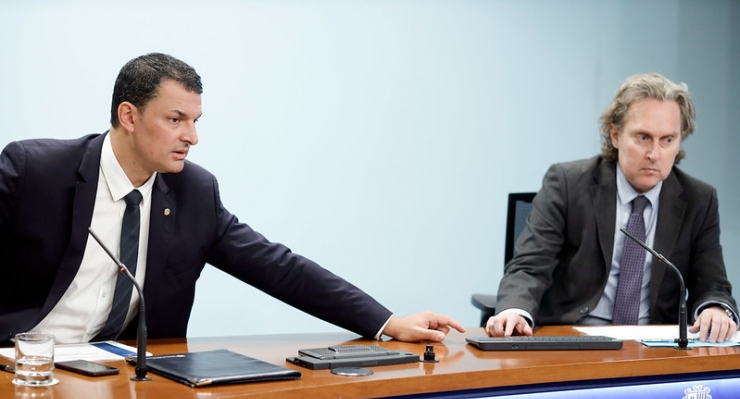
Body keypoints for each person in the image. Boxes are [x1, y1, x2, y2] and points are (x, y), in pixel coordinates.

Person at [0, 53, 464, 345]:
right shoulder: (35, 170)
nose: (193, 137)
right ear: (129, 116)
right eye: (177, 119)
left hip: (122, 376)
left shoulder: (194, 193)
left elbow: (279, 268)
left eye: (197, 120)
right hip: (19, 365)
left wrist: (387, 322)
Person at [487, 73, 737, 343]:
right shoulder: (568, 183)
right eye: (643, 137)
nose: (655, 154)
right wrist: (515, 310)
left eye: (667, 140)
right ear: (615, 135)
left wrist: (715, 308)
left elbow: (712, 283)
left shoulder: (699, 199)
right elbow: (530, 266)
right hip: (575, 340)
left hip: (655, 347)